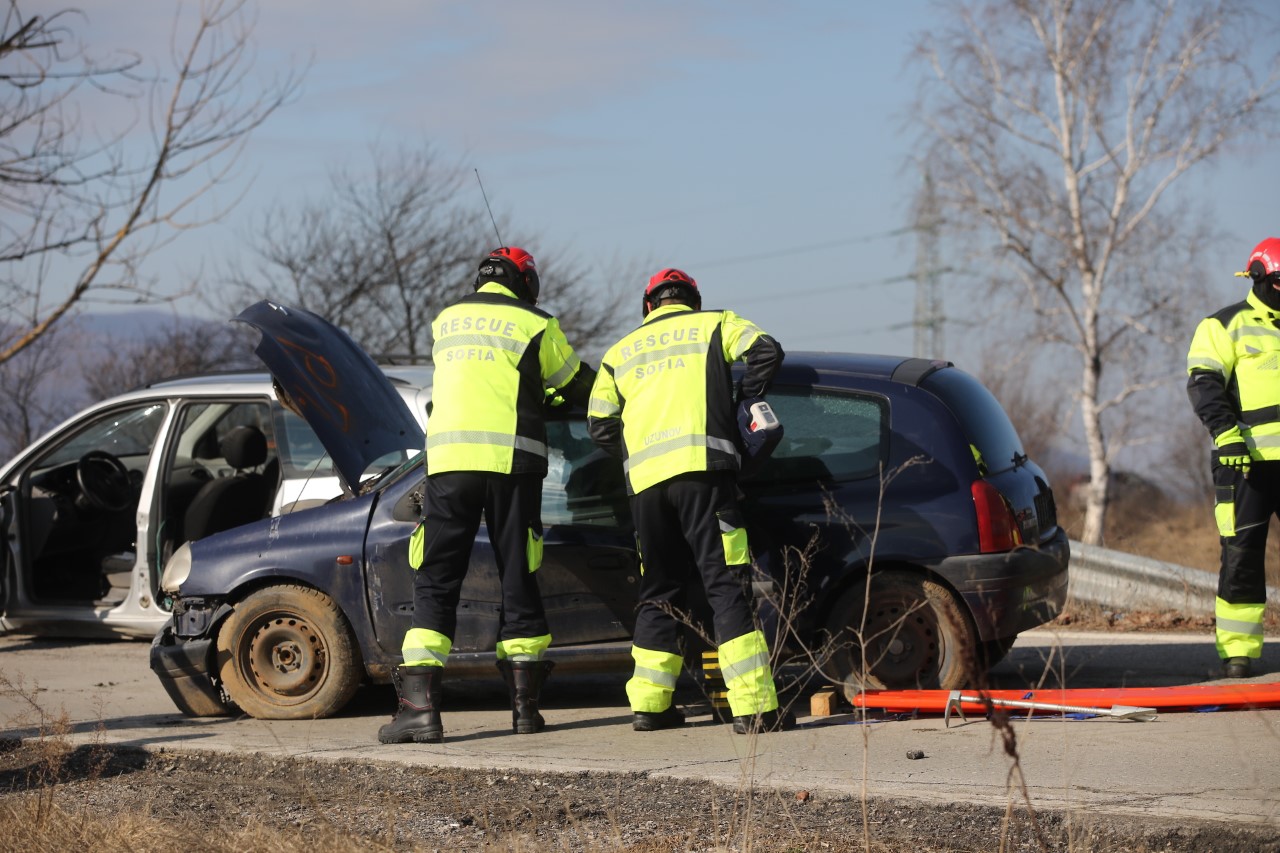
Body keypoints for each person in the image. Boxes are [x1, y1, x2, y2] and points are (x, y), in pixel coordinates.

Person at [379, 246, 595, 744]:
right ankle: (525, 709)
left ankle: (419, 711)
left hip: (451, 467)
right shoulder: (537, 324)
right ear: (526, 282)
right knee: (518, 573)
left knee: (436, 579)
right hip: (513, 467)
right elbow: (574, 384)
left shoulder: (445, 321)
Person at [587, 267, 793, 733]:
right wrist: (743, 399)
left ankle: (650, 707)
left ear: (648, 305)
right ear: (691, 301)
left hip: (646, 488)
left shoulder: (619, 352)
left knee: (658, 592)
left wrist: (636, 449)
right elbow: (767, 350)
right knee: (725, 586)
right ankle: (754, 709)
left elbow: (599, 425)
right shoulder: (715, 324)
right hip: (705, 475)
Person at [1187, 237, 1280, 679]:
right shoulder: (1223, 325)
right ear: (1259, 277)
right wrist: (1227, 436)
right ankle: (1239, 653)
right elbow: (1204, 384)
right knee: (1242, 554)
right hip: (1245, 465)